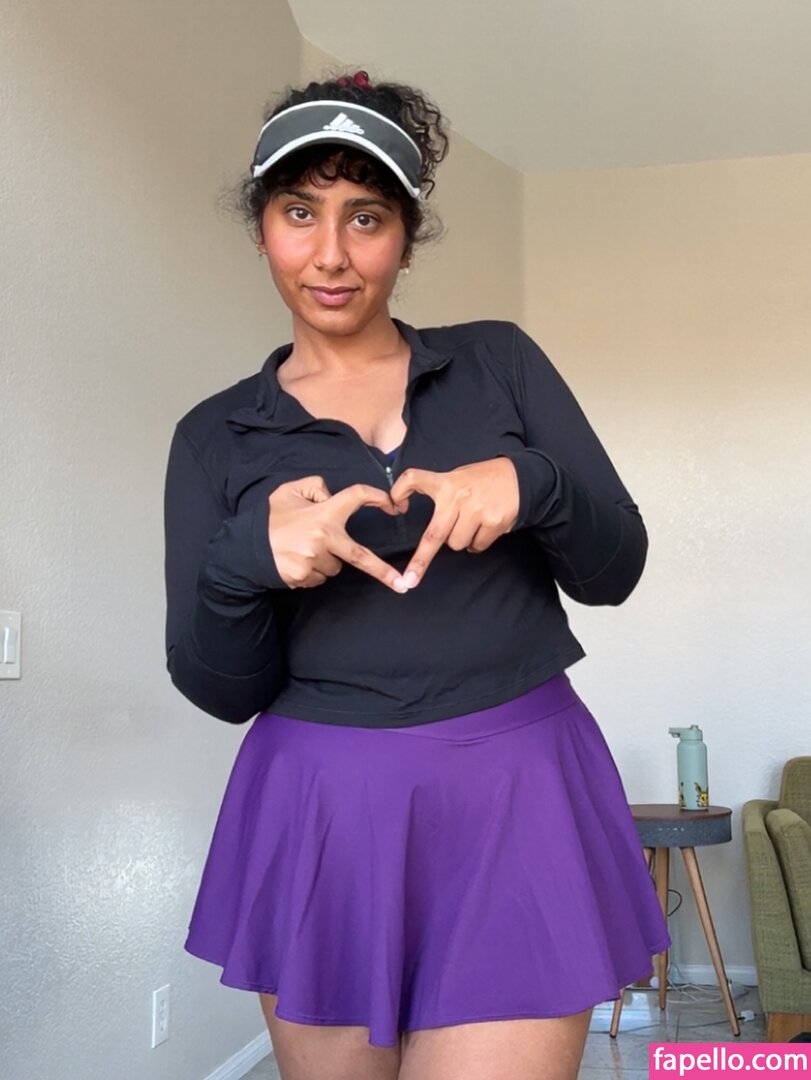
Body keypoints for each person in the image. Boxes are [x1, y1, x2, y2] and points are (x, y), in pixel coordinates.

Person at [164, 70, 671, 1080]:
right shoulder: (215, 434)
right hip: (319, 806)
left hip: (518, 789)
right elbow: (221, 687)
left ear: (404, 236)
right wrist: (247, 561)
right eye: (299, 212)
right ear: (261, 228)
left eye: (367, 217)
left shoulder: (498, 364)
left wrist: (533, 484)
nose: (331, 253)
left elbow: (613, 570)